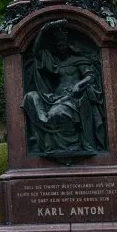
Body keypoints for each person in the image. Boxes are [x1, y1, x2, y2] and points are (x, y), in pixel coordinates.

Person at [22, 19, 106, 157]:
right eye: (59, 45)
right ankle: (40, 142)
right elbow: (36, 52)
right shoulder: (55, 63)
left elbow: (90, 77)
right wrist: (43, 30)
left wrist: (79, 85)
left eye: (63, 44)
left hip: (73, 97)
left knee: (57, 113)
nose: (61, 47)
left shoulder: (78, 61)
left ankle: (72, 144)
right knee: (31, 97)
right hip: (56, 97)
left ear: (68, 45)